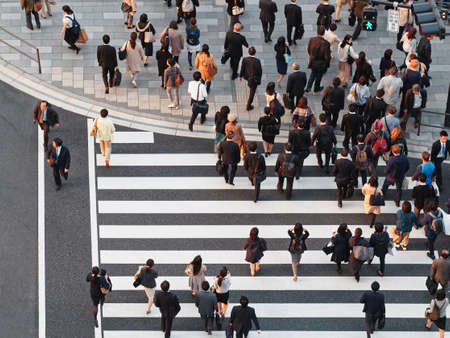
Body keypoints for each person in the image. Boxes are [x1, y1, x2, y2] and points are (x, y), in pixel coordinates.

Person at [306, 26, 331, 93]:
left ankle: (308, 87)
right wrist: (327, 64)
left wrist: (311, 56)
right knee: (319, 76)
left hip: (313, 60)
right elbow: (327, 56)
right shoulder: (326, 43)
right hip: (321, 63)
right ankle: (316, 88)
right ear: (324, 33)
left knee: (313, 74)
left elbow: (308, 50)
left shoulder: (312, 39)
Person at [239, 47, 262, 111]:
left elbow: (242, 68)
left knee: (250, 86)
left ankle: (249, 84)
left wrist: (240, 76)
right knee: (252, 93)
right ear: (255, 53)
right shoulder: (257, 61)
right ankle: (248, 106)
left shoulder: (245, 59)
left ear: (248, 52)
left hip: (247, 77)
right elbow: (260, 71)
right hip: (254, 79)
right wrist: (259, 80)